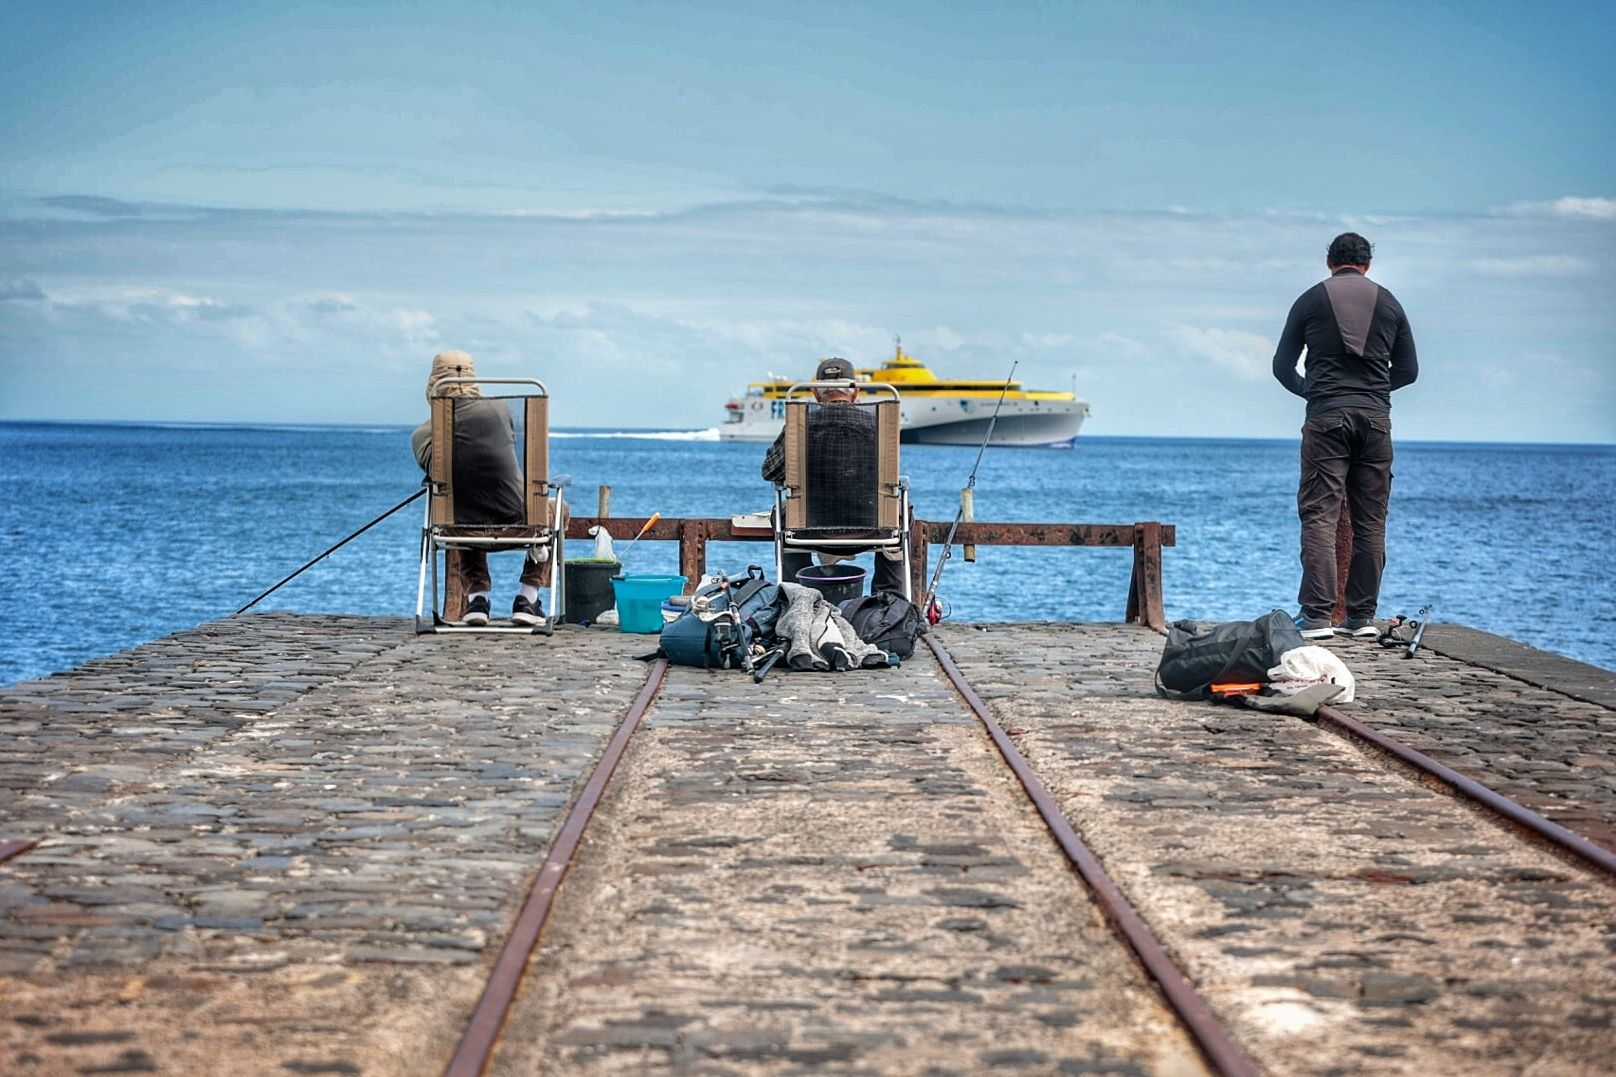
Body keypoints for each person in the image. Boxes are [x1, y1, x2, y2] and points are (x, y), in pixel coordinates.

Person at [1272, 233, 1418, 640]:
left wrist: (1316, 392)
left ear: (1329, 262)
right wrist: (1373, 392)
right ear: (1368, 263)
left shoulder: (1311, 299)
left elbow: (1282, 365)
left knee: (1321, 514)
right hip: (1375, 422)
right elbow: (1409, 371)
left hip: (1326, 418)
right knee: (1372, 520)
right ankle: (1360, 618)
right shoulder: (1389, 302)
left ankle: (1317, 617)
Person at [411, 350, 548, 626]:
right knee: (559, 510)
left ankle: (477, 600)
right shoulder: (500, 410)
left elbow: (441, 478)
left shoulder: (421, 436)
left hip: (459, 530)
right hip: (520, 524)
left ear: (432, 383)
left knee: (463, 504)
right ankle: (527, 598)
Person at [762, 356, 905, 594]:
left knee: (780, 514)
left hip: (809, 530)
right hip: (872, 529)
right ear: (855, 392)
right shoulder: (879, 425)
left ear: (816, 394)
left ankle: (798, 593)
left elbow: (770, 472)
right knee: (902, 513)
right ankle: (888, 597)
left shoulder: (800, 425)